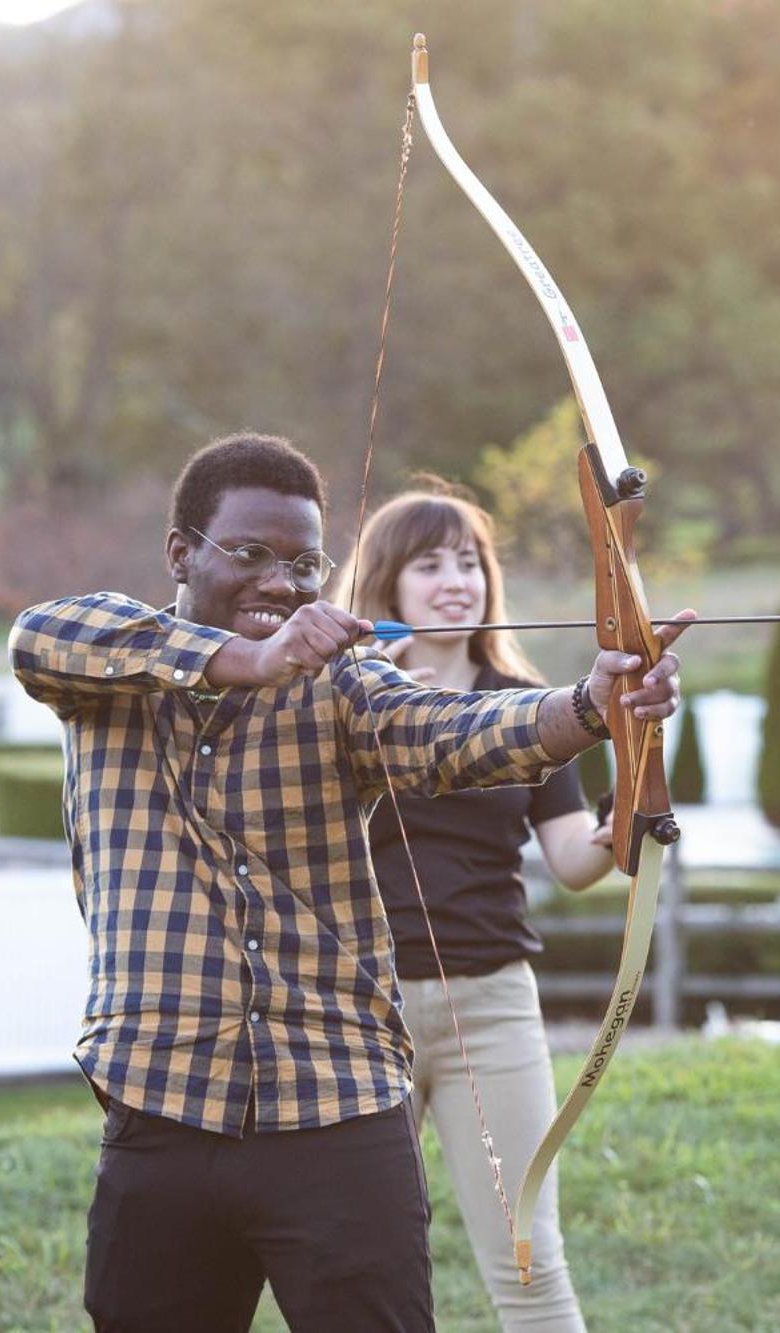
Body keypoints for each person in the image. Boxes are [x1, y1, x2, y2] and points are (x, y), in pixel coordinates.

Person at [7, 432, 687, 1332]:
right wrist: (248, 660)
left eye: (304, 564)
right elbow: (36, 635)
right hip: (164, 1105)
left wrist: (590, 707)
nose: (281, 583)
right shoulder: (108, 666)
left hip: (338, 1108)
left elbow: (453, 731)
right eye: (249, 554)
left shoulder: (345, 683)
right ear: (180, 552)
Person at [345, 489, 609, 1331]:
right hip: (357, 1010)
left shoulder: (532, 705)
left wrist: (624, 827)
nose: (456, 581)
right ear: (387, 583)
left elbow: (572, 861)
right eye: (430, 564)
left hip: (490, 1006)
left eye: (470, 562)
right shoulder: (340, 697)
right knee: (356, 1269)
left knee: (528, 1261)